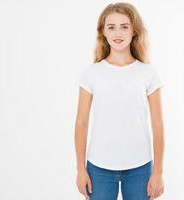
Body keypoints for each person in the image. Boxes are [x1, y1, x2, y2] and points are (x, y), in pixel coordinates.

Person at [74, 3, 164, 200]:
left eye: (125, 26)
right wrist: (81, 169)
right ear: (103, 32)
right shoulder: (91, 73)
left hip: (140, 167)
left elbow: (158, 125)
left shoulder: (148, 74)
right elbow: (81, 123)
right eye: (111, 27)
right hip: (99, 167)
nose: (118, 32)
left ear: (134, 31)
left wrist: (157, 172)